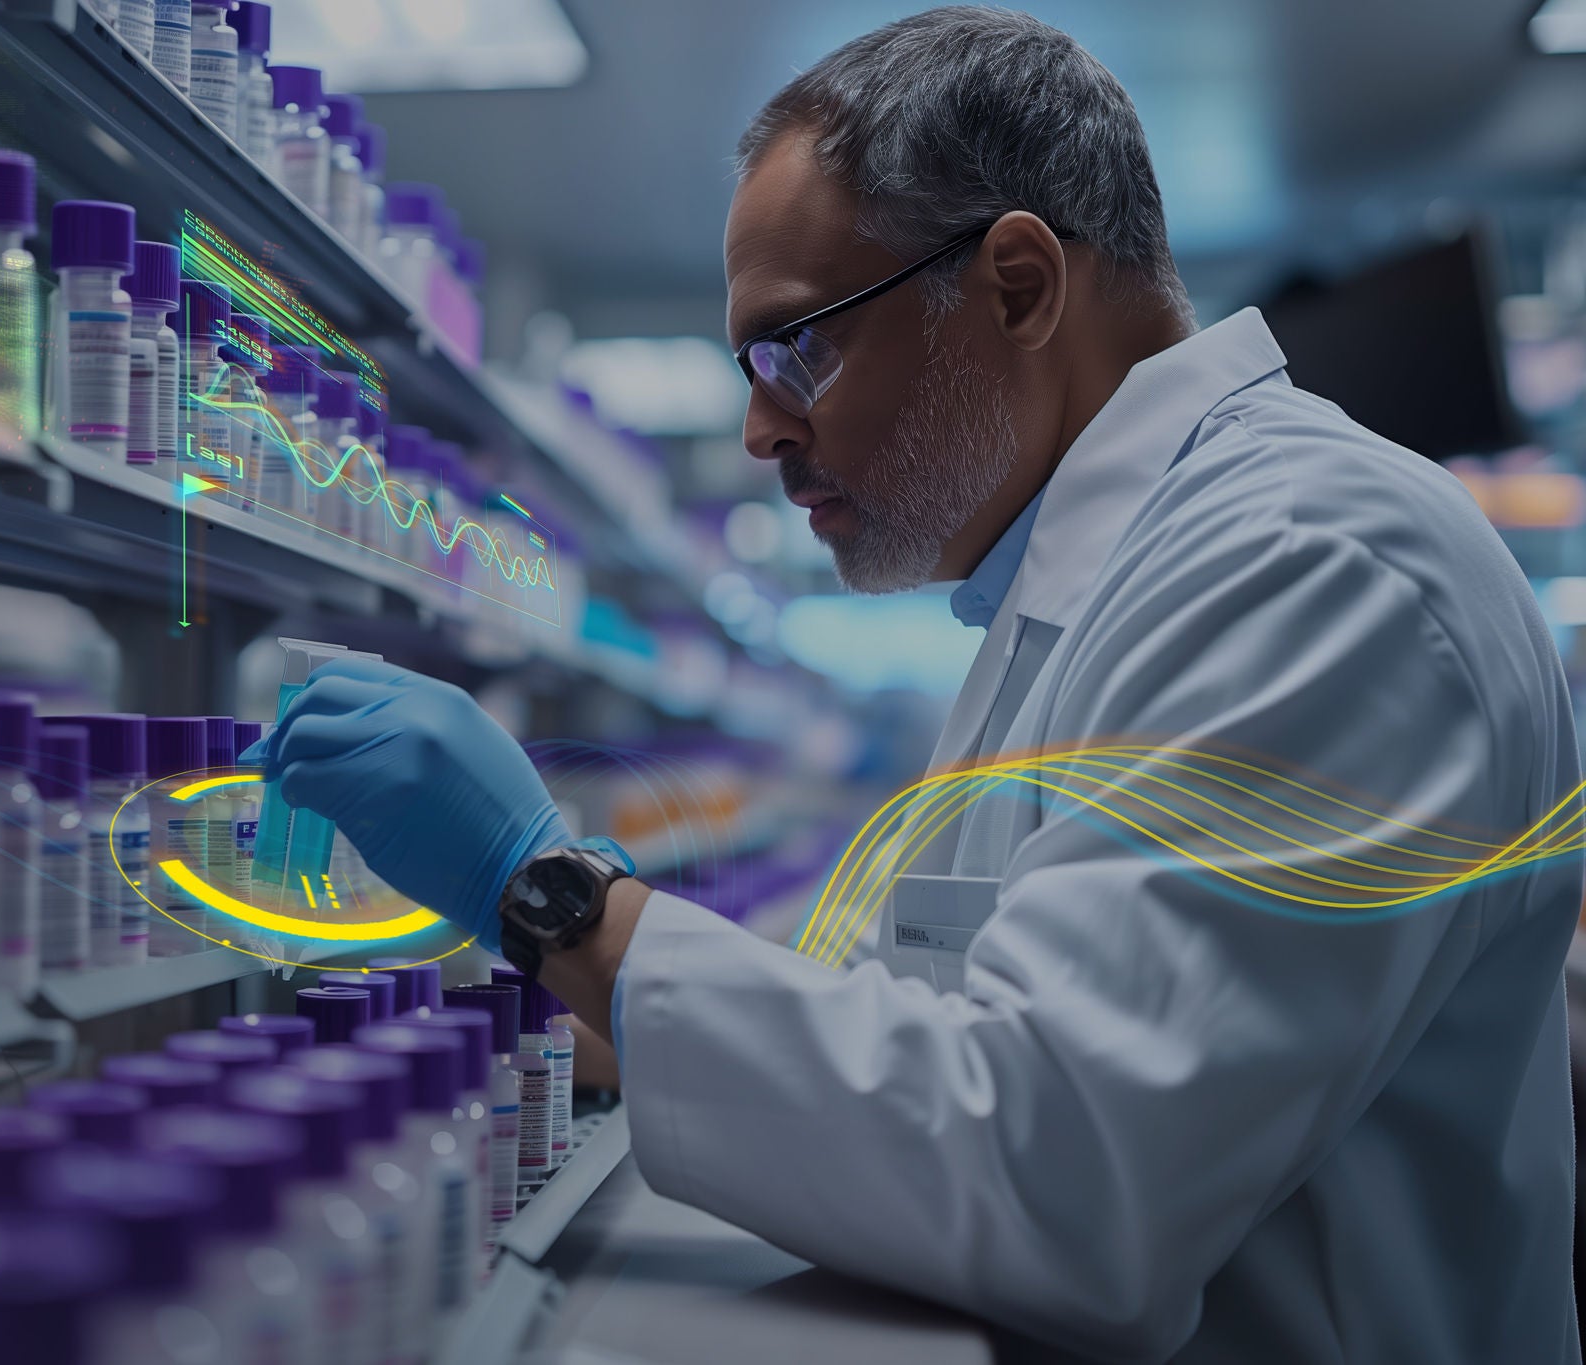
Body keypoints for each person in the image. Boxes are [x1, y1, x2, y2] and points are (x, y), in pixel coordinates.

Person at [246, 9, 1582, 1362]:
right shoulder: (1074, 582)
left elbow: (1066, 1184)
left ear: (1013, 284)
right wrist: (613, 1015)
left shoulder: (1313, 564)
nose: (763, 426)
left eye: (797, 348)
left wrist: (554, 900)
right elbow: (944, 1033)